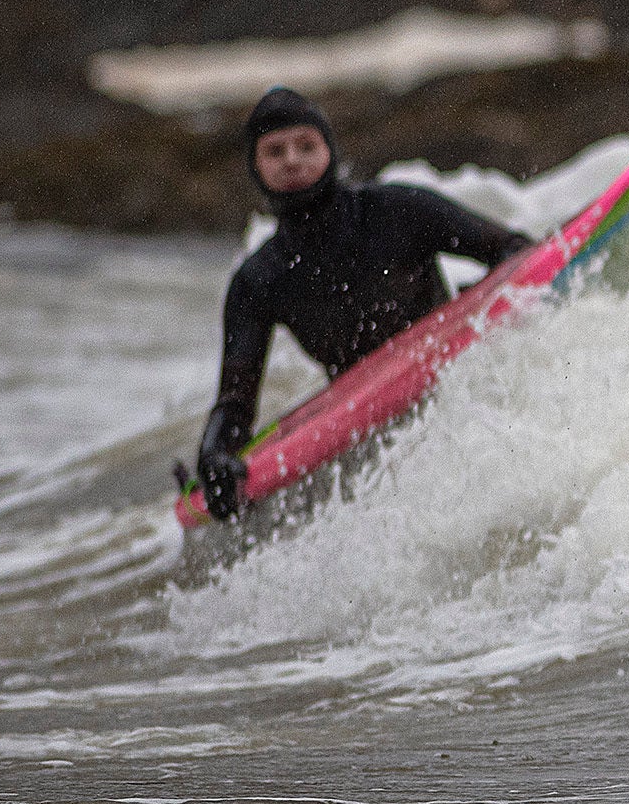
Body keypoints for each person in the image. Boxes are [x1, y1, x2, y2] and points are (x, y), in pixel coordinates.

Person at [190, 86, 533, 520]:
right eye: (275, 151)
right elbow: (236, 403)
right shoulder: (258, 280)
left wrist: (480, 303)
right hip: (372, 432)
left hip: (461, 391)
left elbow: (511, 247)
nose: (292, 160)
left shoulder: (398, 209)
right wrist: (215, 454)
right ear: (255, 168)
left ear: (329, 151)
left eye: (306, 145)